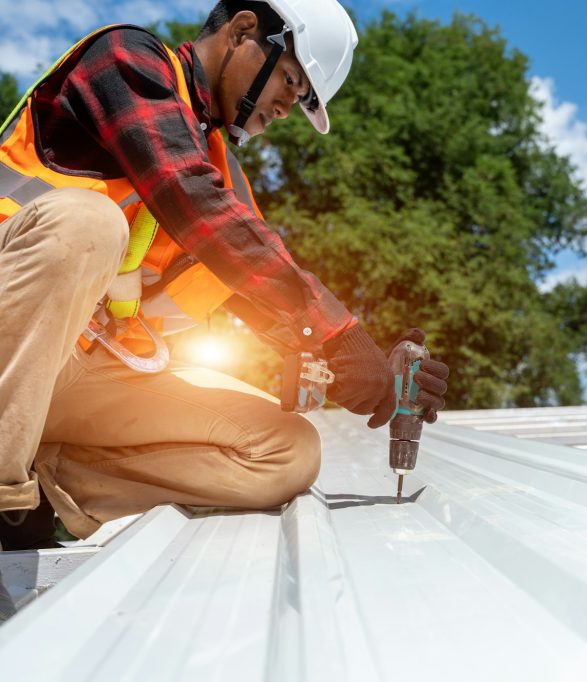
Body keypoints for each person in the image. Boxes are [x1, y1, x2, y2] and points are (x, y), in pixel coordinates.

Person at [0, 0, 450, 619]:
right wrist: (335, 328)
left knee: (288, 450)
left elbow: (268, 286)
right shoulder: (127, 60)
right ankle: (5, 496)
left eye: (302, 100)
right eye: (293, 81)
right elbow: (190, 199)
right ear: (243, 31)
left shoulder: (219, 173)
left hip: (62, 381)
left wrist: (368, 365)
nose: (287, 108)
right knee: (88, 224)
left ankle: (48, 490)